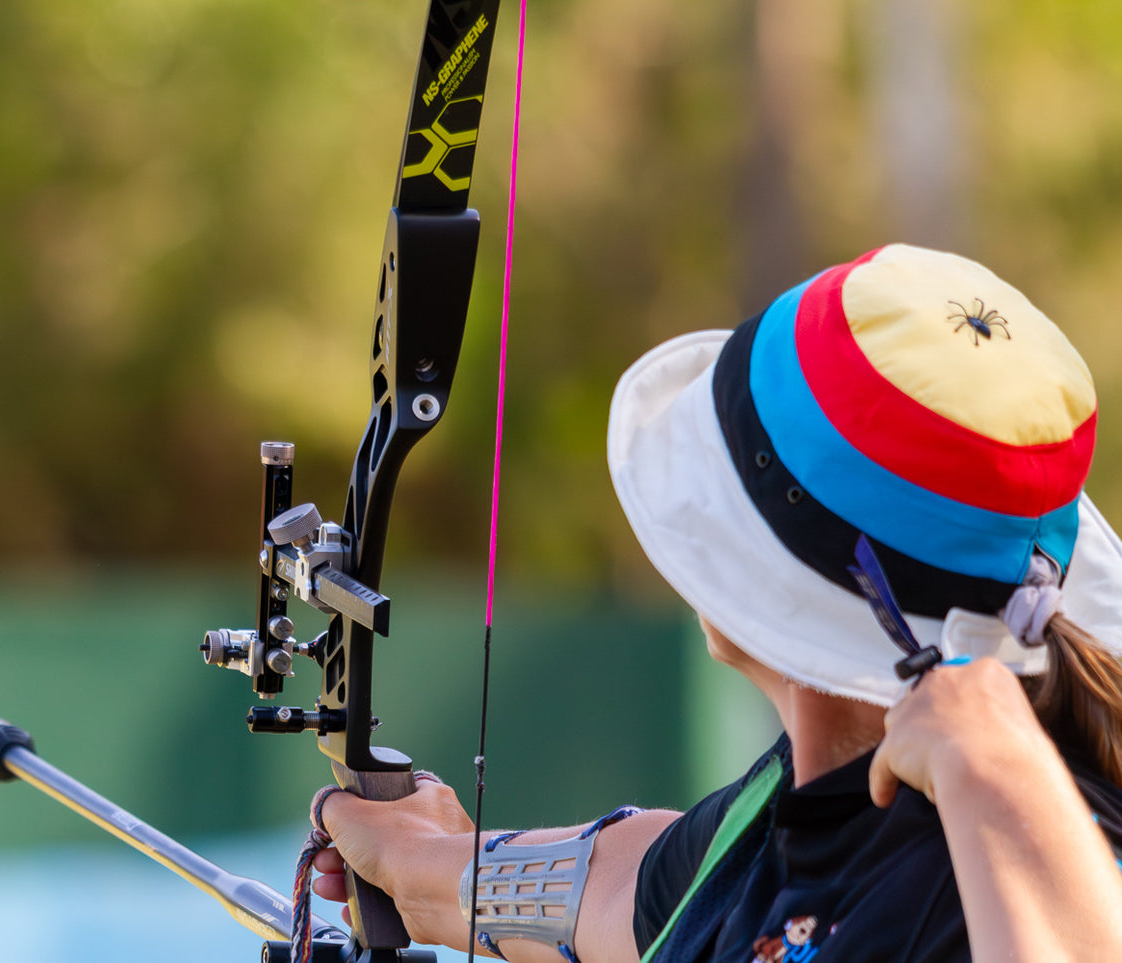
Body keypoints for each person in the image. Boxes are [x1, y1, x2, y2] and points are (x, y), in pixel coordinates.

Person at [309, 244, 1122, 962]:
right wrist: (417, 853)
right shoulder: (790, 809)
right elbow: (624, 885)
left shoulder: (983, 868)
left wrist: (998, 777)